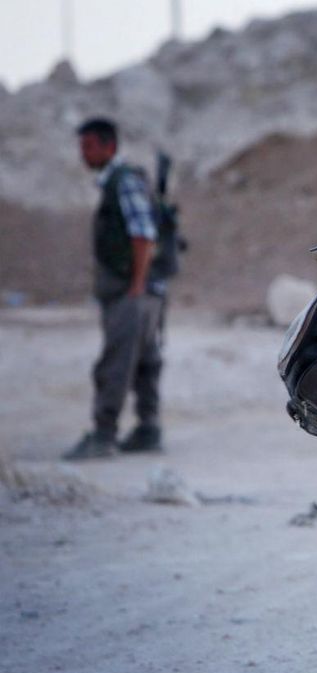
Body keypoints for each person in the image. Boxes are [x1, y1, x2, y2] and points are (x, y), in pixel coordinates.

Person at [64, 118, 167, 460]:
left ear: (109, 147)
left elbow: (143, 236)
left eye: (89, 146)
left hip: (133, 291)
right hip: (145, 290)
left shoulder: (122, 183)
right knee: (145, 361)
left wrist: (136, 285)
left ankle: (103, 435)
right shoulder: (121, 182)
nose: (84, 154)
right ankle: (147, 429)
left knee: (116, 363)